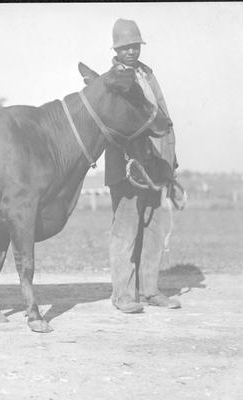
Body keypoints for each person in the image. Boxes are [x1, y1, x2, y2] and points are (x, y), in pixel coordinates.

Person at [106, 19, 182, 313]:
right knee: (126, 230)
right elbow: (113, 126)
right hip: (127, 166)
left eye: (135, 46)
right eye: (125, 47)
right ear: (116, 49)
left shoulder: (148, 75)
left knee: (154, 228)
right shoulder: (111, 81)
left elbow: (164, 118)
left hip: (155, 165)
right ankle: (122, 295)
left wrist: (170, 161)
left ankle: (149, 290)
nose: (131, 51)